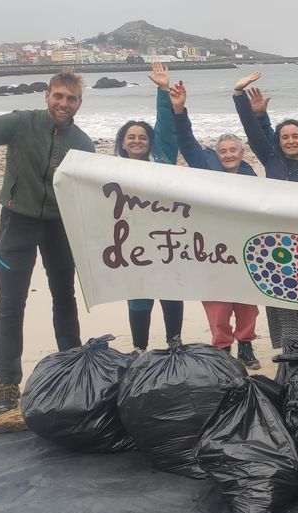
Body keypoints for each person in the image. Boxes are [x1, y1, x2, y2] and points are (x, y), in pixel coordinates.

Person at [0, 69, 95, 414]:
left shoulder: (84, 144)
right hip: (18, 222)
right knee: (11, 304)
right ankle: (8, 385)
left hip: (60, 226)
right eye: (58, 96)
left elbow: (94, 193)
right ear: (47, 96)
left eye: (71, 98)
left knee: (64, 297)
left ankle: (70, 369)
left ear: (79, 103)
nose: (63, 103)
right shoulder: (20, 123)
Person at [232, 71, 298, 351]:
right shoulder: (272, 161)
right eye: (285, 137)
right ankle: (291, 353)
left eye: (295, 136)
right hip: (278, 243)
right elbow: (253, 132)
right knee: (284, 301)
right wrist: (238, 95)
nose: (290, 141)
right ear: (278, 142)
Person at [169, 80, 261, 368]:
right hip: (211, 250)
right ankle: (222, 348)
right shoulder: (205, 166)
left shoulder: (250, 176)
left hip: (244, 249)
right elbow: (186, 141)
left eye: (234, 149)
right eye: (224, 150)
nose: (229, 154)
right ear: (217, 153)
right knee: (218, 306)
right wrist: (179, 110)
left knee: (246, 303)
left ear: (241, 153)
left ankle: (245, 345)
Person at [113, 62, 184, 355]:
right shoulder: (109, 171)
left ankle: (174, 342)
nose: (138, 140)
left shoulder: (164, 157)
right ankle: (139, 349)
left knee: (170, 290)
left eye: (143, 136)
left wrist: (163, 90)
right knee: (138, 295)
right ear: (123, 143)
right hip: (132, 240)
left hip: (167, 236)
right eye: (131, 137)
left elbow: (166, 125)